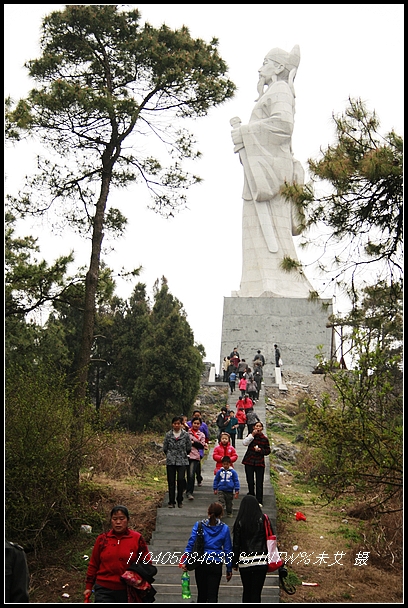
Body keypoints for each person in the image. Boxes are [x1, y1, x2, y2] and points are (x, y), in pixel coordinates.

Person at [230, 45, 314, 298]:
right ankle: (262, 284)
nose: (259, 68)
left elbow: (283, 125)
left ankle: (277, 284)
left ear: (278, 67)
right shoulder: (276, 91)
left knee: (273, 236)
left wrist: (245, 132)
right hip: (262, 173)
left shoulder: (279, 90)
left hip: (271, 177)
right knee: (256, 236)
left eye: (265, 62)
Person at [84, 505, 153, 603]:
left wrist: (135, 575)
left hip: (127, 589)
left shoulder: (136, 538)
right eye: (114, 519)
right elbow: (94, 564)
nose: (118, 522)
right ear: (111, 521)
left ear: (127, 520)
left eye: (122, 519)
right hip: (104, 588)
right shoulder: (102, 539)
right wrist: (88, 586)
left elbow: (146, 562)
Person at [181, 502, 233, 603]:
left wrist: (185, 560)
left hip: (201, 562)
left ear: (208, 512)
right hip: (216, 563)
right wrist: (229, 568)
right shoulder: (224, 528)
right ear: (221, 514)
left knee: (202, 594)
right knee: (213, 595)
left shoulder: (199, 525)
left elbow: (191, 544)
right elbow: (227, 550)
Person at [232, 495, 269, 603]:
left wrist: (234, 562)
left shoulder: (240, 522)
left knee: (247, 591)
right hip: (261, 561)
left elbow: (236, 544)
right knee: (256, 593)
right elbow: (269, 539)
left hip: (245, 562)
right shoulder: (263, 519)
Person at [163, 415, 192, 508]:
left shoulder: (185, 435)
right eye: (175, 423)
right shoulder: (168, 435)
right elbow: (165, 448)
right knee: (171, 482)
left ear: (181, 424)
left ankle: (180, 500)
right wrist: (170, 455)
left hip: (182, 460)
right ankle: (171, 501)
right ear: (172, 424)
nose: (176, 425)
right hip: (171, 461)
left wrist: (183, 454)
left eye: (178, 423)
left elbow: (189, 447)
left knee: (180, 480)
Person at [242, 421, 271, 506]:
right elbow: (244, 443)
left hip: (259, 462)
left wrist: (260, 450)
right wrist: (252, 435)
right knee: (250, 480)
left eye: (259, 426)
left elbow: (268, 451)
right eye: (256, 426)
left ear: (262, 428)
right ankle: (251, 495)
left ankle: (259, 500)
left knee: (259, 482)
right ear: (254, 427)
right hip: (249, 461)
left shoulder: (264, 439)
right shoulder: (250, 436)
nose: (258, 428)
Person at [187, 410, 209, 487]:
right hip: (188, 453)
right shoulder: (188, 426)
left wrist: (204, 444)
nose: (196, 425)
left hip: (198, 451)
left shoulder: (204, 426)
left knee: (196, 466)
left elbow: (206, 436)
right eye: (195, 415)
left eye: (198, 415)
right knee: (189, 471)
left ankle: (198, 478)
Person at [186, 417, 206, 500]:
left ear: (200, 425)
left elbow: (202, 445)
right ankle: (185, 488)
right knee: (184, 475)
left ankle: (189, 492)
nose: (196, 425)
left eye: (198, 423)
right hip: (184, 455)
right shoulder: (186, 433)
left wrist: (193, 442)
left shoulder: (201, 435)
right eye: (195, 423)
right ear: (192, 424)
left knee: (191, 474)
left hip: (195, 456)